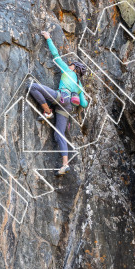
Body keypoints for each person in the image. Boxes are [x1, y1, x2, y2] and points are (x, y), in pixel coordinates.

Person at [29, 31, 88, 175]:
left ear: (74, 68)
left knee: (32, 87)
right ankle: (65, 164)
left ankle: (47, 112)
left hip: (60, 97)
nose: (70, 64)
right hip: (67, 107)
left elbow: (55, 55)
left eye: (72, 64)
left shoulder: (67, 70)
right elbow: (84, 104)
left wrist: (48, 38)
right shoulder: (79, 86)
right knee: (59, 134)